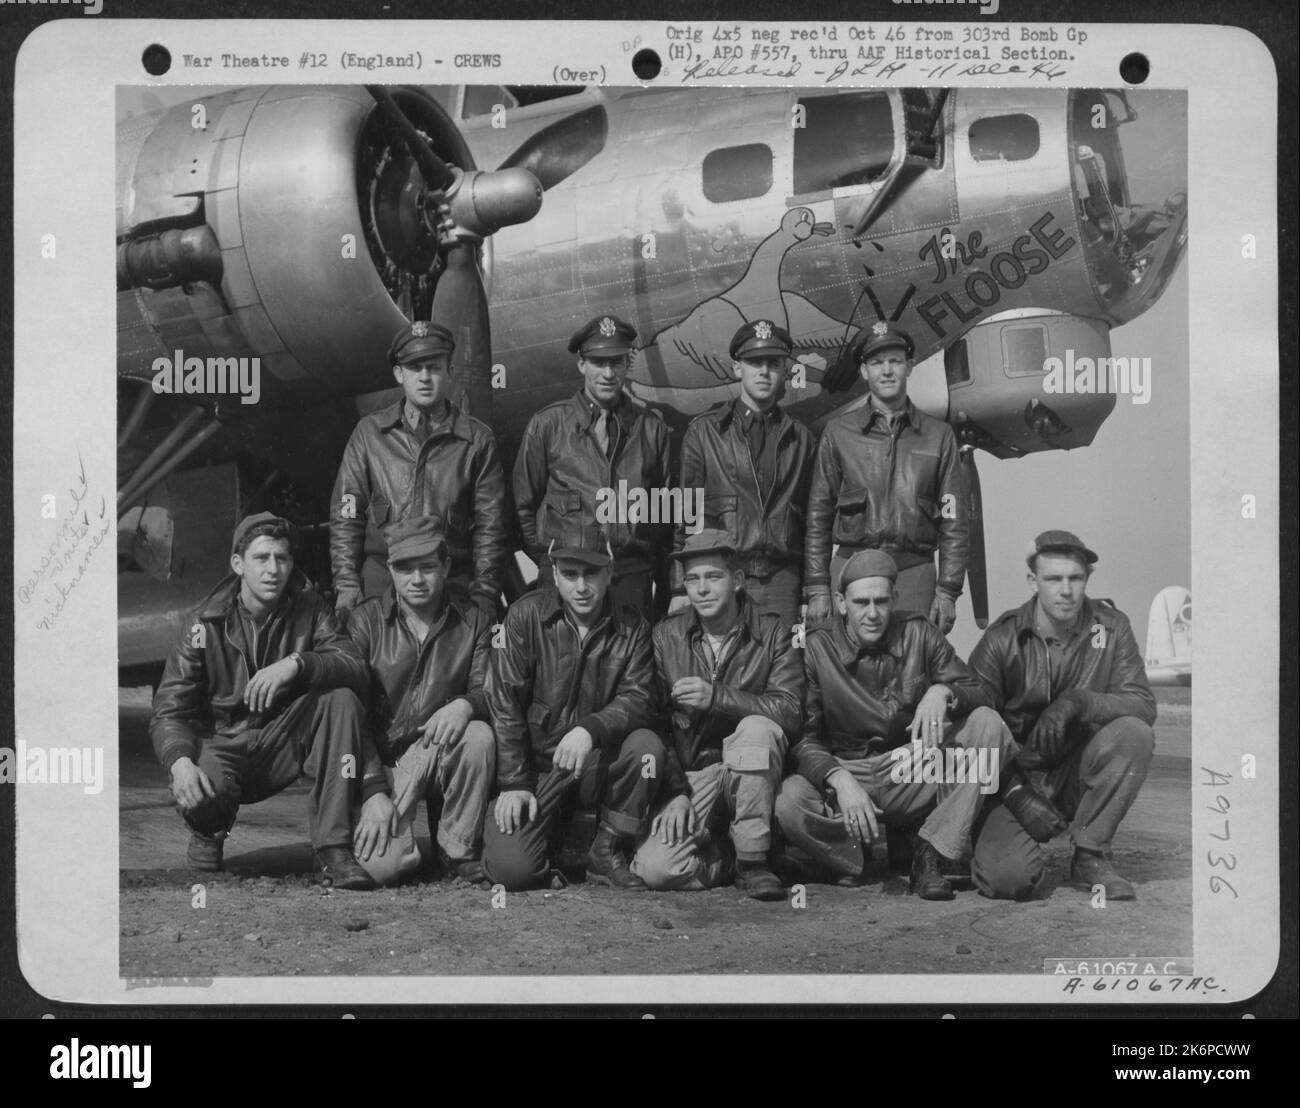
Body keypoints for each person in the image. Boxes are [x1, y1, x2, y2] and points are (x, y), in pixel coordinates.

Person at [150, 512, 382, 891]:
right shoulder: (203, 624)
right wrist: (179, 763)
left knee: (340, 699)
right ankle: (208, 830)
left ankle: (334, 849)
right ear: (238, 564)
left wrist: (297, 664)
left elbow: (355, 667)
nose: (274, 569)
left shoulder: (311, 610)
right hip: (223, 745)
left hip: (282, 740)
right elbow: (168, 710)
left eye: (282, 558)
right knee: (202, 785)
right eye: (261, 558)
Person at [775, 550, 1013, 900]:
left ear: (895, 599)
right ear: (841, 603)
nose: (872, 614)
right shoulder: (815, 647)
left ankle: (930, 853)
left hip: (908, 766)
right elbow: (802, 737)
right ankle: (854, 858)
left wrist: (943, 690)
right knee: (789, 802)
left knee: (987, 725)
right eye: (861, 602)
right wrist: (840, 780)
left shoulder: (921, 633)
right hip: (847, 769)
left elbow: (981, 695)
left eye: (881, 601)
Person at [966, 531, 1156, 901]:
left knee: (1134, 734)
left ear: (1088, 579)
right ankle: (982, 843)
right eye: (1054, 579)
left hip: (1076, 770)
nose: (1066, 590)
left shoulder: (1112, 627)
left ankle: (1091, 854)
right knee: (1009, 881)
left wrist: (1079, 702)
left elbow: (1142, 703)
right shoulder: (1002, 639)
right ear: (1032, 581)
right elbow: (971, 730)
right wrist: (1016, 791)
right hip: (1015, 778)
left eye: (1076, 578)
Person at [482, 522, 668, 891]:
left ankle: (606, 848)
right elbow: (503, 701)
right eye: (570, 574)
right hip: (538, 770)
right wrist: (514, 781)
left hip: (597, 764)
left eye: (591, 573)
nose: (580, 587)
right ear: (553, 573)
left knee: (647, 748)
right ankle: (546, 841)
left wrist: (590, 729)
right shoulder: (524, 617)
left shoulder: (634, 627)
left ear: (610, 571)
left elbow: (641, 698)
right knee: (512, 872)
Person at [632, 531, 804, 901]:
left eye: (713, 577)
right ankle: (727, 858)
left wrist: (717, 697)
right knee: (657, 870)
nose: (702, 589)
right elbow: (653, 721)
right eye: (692, 580)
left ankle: (754, 861)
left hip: (755, 775)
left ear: (738, 580)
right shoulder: (666, 635)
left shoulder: (773, 632)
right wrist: (674, 791)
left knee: (758, 729)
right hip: (695, 777)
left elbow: (790, 712)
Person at [346, 516, 495, 886]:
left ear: (445, 566)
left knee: (478, 735)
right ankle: (399, 833)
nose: (416, 580)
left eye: (427, 567)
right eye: (404, 568)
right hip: (385, 766)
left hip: (441, 751)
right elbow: (350, 712)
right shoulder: (365, 622)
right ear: (389, 570)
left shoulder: (475, 621)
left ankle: (455, 849)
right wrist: (371, 788)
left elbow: (491, 690)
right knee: (385, 867)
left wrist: (466, 705)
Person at [330, 319, 508, 621]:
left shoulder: (477, 440)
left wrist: (484, 592)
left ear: (450, 370)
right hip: (381, 584)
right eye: (414, 368)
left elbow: (490, 526)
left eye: (434, 367)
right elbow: (346, 515)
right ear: (399, 373)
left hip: (451, 586)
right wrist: (347, 586)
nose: (424, 377)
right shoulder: (369, 435)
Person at [804, 321, 967, 633]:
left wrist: (947, 591)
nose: (887, 371)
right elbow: (817, 517)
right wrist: (817, 588)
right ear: (864, 371)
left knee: (914, 671)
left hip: (914, 571)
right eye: (877, 363)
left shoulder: (939, 436)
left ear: (909, 366)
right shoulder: (838, 434)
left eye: (895, 362)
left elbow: (954, 524)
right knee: (848, 673)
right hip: (852, 569)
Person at [512, 314, 674, 620]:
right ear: (581, 364)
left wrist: (663, 587)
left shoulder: (652, 431)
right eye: (599, 362)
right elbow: (523, 508)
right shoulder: (547, 427)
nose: (608, 373)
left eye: (617, 362)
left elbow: (667, 518)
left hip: (630, 583)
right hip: (569, 584)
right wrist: (553, 565)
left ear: (628, 364)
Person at [669, 320, 816, 629]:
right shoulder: (704, 432)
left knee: (787, 668)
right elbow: (687, 517)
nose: (764, 371)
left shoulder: (801, 439)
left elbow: (812, 523)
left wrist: (811, 590)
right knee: (724, 667)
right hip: (723, 577)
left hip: (782, 583)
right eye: (754, 362)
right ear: (737, 368)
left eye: (773, 363)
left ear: (784, 370)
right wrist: (680, 586)